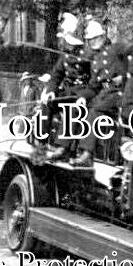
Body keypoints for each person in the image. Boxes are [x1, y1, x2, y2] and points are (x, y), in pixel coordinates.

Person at [71, 19, 130, 166]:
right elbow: (93, 86)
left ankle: (87, 154)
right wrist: (83, 97)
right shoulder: (94, 59)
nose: (91, 43)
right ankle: (73, 149)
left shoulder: (116, 48)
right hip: (104, 94)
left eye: (94, 39)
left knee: (96, 110)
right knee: (79, 108)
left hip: (119, 93)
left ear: (103, 37)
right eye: (89, 40)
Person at [42, 13, 92, 160]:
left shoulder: (88, 55)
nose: (64, 43)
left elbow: (95, 80)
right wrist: (51, 91)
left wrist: (83, 96)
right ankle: (42, 142)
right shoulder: (64, 55)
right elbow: (56, 75)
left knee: (73, 110)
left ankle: (62, 147)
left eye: (67, 40)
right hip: (67, 93)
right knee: (47, 104)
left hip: (82, 96)